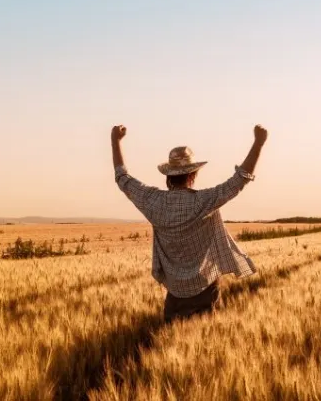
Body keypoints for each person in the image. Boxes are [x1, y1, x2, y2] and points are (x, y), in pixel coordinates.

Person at [110, 124, 268, 323]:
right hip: (205, 289)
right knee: (208, 345)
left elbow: (122, 178)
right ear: (193, 175)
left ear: (168, 176)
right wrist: (258, 143)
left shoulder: (153, 201)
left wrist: (115, 141)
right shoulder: (203, 201)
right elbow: (239, 180)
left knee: (167, 344)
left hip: (174, 293)